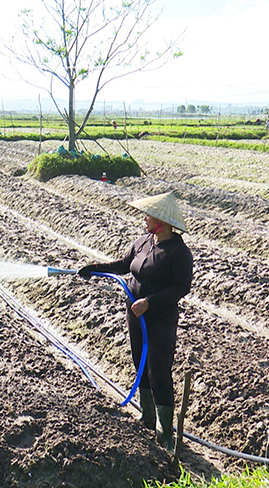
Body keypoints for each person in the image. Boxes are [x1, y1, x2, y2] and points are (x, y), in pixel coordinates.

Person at [78, 192, 193, 450]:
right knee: (139, 363)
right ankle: (148, 417)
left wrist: (150, 301)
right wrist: (94, 268)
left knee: (158, 370)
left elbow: (180, 288)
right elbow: (124, 265)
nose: (144, 218)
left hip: (159, 320)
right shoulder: (143, 242)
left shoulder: (178, 252)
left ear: (161, 221)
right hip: (135, 315)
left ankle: (164, 432)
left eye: (148, 215)